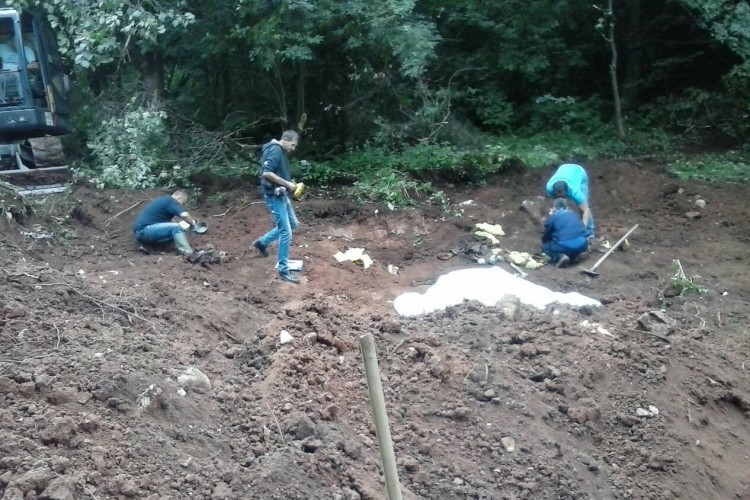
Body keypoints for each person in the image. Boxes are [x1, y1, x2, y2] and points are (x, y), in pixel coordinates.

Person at [251, 130, 302, 284]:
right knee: (286, 231)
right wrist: (287, 184)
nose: (293, 148)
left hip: (282, 194)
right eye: (292, 144)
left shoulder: (281, 151)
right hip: (274, 196)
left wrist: (289, 182)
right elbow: (267, 173)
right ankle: (283, 270)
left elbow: (279, 173)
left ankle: (262, 243)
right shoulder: (275, 150)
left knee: (293, 224)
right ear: (285, 139)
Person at [133, 190, 200, 256]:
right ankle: (189, 253)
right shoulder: (170, 201)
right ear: (179, 197)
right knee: (177, 227)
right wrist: (193, 224)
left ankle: (148, 246)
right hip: (145, 231)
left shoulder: (163, 200)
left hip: (141, 233)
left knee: (175, 232)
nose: (182, 205)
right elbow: (184, 215)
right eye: (183, 202)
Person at [545, 163, 594, 237]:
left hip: (579, 172)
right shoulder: (549, 188)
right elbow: (552, 206)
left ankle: (590, 232)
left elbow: (586, 210)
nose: (561, 197)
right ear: (554, 191)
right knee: (557, 208)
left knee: (583, 208)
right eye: (558, 195)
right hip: (563, 167)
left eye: (563, 196)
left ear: (567, 191)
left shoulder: (575, 192)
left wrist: (582, 229)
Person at [541, 198, 589, 268]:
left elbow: (546, 236)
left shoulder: (554, 217)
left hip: (565, 246)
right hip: (583, 244)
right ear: (567, 207)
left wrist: (545, 242)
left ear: (554, 208)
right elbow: (583, 229)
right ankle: (575, 255)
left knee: (545, 247)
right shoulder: (575, 214)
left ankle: (560, 256)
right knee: (572, 242)